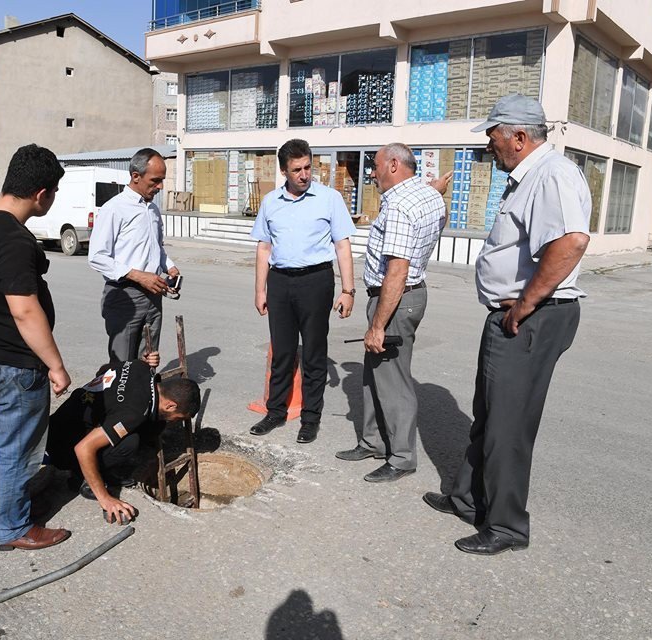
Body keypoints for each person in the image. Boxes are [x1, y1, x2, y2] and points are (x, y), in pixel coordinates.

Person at [422, 94, 591, 555]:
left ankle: (507, 527)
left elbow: (571, 242)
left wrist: (523, 306)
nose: (490, 145)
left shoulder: (551, 174)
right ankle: (468, 499)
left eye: (494, 136)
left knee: (508, 427)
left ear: (519, 137)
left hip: (531, 318)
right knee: (490, 415)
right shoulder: (528, 177)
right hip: (514, 316)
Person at [0, 143, 73, 552]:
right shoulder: (12, 239)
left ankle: (11, 501)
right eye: (53, 194)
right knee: (19, 448)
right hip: (12, 363)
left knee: (11, 442)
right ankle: (10, 527)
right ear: (42, 193)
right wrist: (56, 366)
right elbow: (25, 311)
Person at [335, 143, 445, 482]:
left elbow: (397, 270)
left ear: (395, 165)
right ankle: (373, 441)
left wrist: (377, 325)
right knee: (374, 373)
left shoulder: (398, 205)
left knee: (394, 381)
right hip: (408, 295)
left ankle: (401, 457)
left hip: (394, 298)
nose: (372, 172)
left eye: (377, 166)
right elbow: (428, 199)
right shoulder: (427, 195)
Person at [248, 139, 357, 444]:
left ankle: (310, 418)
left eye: (308, 167)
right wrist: (260, 290)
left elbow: (342, 245)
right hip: (281, 282)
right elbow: (263, 247)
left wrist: (348, 290)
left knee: (313, 353)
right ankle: (275, 411)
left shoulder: (329, 198)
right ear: (284, 171)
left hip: (316, 281)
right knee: (281, 352)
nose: (305, 174)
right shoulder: (270, 202)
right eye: (297, 169)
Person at [45, 356, 201, 524]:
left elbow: (103, 370)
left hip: (65, 422)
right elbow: (83, 449)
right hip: (59, 446)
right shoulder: (133, 412)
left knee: (153, 424)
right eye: (178, 418)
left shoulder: (140, 367)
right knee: (129, 442)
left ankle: (97, 466)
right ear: (170, 405)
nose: (175, 421)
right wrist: (105, 499)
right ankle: (82, 478)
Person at [89, 148, 178, 365]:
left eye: (163, 180)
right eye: (155, 180)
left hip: (154, 294)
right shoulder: (114, 209)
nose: (160, 186)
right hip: (124, 296)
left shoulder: (153, 210)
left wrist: (170, 267)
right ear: (135, 176)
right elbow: (97, 256)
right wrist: (138, 275)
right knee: (122, 365)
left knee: (148, 360)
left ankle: (145, 399)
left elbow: (156, 248)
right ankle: (121, 400)